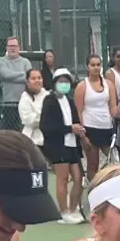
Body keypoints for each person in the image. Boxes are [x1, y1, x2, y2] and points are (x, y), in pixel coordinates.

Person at [39, 68, 85, 223]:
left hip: (73, 145)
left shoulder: (70, 101)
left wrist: (79, 130)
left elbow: (75, 120)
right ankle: (63, 212)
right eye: (61, 81)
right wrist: (69, 129)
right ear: (54, 83)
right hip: (58, 146)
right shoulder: (49, 101)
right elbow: (46, 126)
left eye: (66, 82)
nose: (64, 85)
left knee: (78, 178)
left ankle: (73, 209)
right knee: (63, 178)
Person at [76, 54, 119, 180]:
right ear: (87, 67)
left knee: (114, 163)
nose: (96, 68)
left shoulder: (109, 84)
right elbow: (78, 111)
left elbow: (113, 107)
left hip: (107, 128)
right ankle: (93, 193)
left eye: (98, 65)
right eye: (92, 65)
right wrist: (83, 135)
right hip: (90, 129)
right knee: (93, 165)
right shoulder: (82, 86)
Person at [0, 35, 31, 130]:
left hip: (25, 101)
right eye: (10, 46)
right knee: (11, 131)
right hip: (9, 103)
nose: (12, 48)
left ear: (19, 47)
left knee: (25, 129)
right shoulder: (1, 60)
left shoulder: (25, 61)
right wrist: (22, 73)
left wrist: (12, 77)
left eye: (14, 46)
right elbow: (6, 75)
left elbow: (29, 78)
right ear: (6, 47)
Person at [15, 65, 46, 150]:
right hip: (32, 142)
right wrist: (46, 115)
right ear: (27, 82)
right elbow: (29, 120)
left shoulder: (48, 95)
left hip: (49, 140)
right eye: (33, 78)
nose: (37, 81)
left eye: (39, 78)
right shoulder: (25, 99)